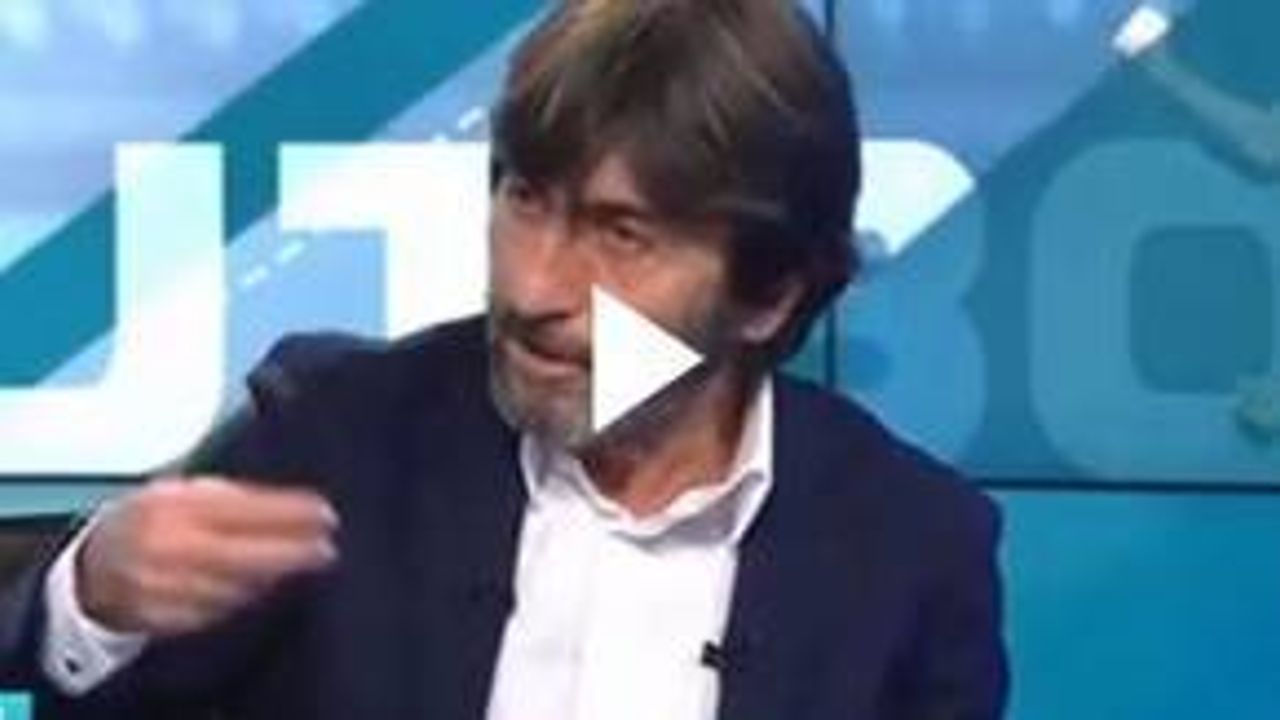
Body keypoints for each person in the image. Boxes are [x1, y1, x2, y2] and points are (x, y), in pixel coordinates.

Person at [0, 1, 1007, 718]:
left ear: (768, 292)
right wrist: (93, 597)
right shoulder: (333, 440)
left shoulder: (910, 548)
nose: (533, 288)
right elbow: (77, 683)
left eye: (621, 234)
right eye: (524, 199)